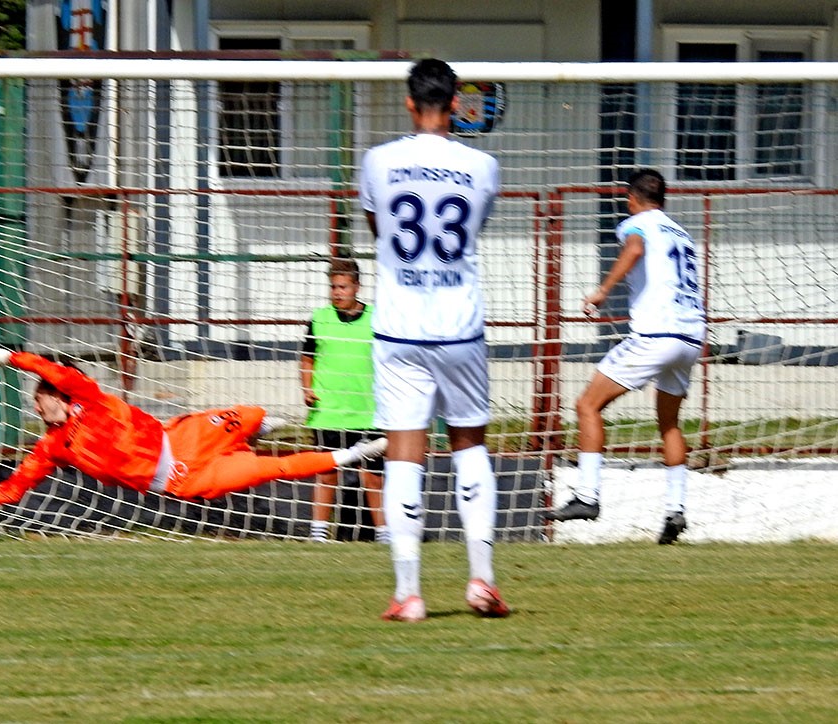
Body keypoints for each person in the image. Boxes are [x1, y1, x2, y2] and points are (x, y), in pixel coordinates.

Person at [0, 335, 388, 517]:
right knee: (273, 471)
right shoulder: (53, 448)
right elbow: (13, 490)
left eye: (39, 400)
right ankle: (356, 453)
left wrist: (6, 357)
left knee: (254, 415)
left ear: (57, 396)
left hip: (182, 436)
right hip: (182, 479)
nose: (36, 408)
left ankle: (266, 429)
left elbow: (54, 372)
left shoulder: (87, 396)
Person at [359, 58, 508, 621]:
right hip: (460, 324)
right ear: (456, 105)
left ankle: (409, 593)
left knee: (404, 454)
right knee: (469, 446)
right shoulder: (483, 166)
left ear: (408, 103)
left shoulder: (378, 161)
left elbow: (381, 230)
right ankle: (482, 582)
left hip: (399, 326)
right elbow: (470, 229)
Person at [544, 169, 706, 545]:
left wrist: (602, 290)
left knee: (587, 405)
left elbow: (634, 249)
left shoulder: (638, 224)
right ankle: (676, 509)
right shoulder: (680, 232)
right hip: (690, 337)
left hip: (657, 335)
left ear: (631, 198)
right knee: (669, 424)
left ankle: (587, 497)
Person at [300, 257, 388, 543]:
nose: (337, 292)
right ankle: (318, 534)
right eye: (333, 287)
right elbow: (307, 358)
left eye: (343, 287)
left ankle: (384, 534)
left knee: (372, 478)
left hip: (367, 413)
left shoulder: (377, 319)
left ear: (356, 287)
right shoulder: (319, 318)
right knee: (326, 474)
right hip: (329, 413)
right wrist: (307, 388)